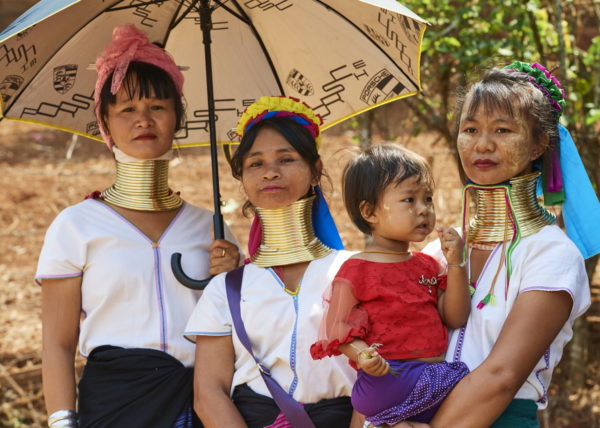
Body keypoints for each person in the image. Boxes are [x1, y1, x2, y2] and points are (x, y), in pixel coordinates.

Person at [36, 24, 241, 428]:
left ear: (178, 118)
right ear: (105, 125)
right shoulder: (76, 226)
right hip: (115, 404)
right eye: (127, 109)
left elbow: (243, 332)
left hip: (202, 403)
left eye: (158, 106)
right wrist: (62, 421)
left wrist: (235, 281)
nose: (143, 120)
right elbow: (57, 344)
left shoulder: (212, 230)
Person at [404, 62, 597, 428]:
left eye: (503, 130)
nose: (482, 144)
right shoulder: (436, 254)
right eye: (470, 129)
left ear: (540, 142)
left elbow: (502, 376)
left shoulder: (552, 255)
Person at [184, 96, 359, 428]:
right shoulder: (227, 288)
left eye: (286, 159)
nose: (270, 173)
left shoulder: (355, 272)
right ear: (243, 179)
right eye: (255, 163)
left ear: (315, 170)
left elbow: (378, 380)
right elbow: (209, 394)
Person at [310, 143, 471, 426]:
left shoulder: (428, 264)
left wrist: (456, 264)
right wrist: (365, 357)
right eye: (409, 200)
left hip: (428, 376)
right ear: (369, 212)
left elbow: (455, 316)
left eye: (428, 199)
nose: (423, 210)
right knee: (475, 383)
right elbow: (339, 330)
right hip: (388, 379)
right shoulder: (355, 270)